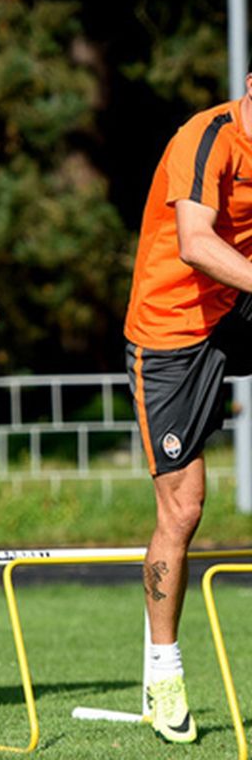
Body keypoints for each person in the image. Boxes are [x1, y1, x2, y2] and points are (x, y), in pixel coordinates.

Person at [124, 66, 252, 744]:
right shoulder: (208, 138)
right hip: (171, 334)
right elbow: (196, 244)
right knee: (184, 506)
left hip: (237, 312)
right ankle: (163, 671)